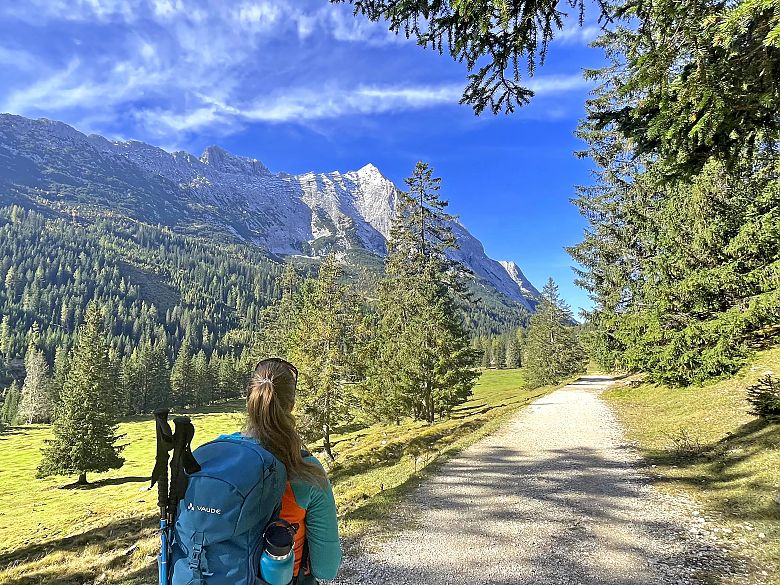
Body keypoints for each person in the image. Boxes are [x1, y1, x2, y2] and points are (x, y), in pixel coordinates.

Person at [245, 357, 342, 584]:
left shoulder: (217, 457)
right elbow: (327, 569)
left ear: (250, 397)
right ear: (291, 405)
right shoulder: (306, 471)